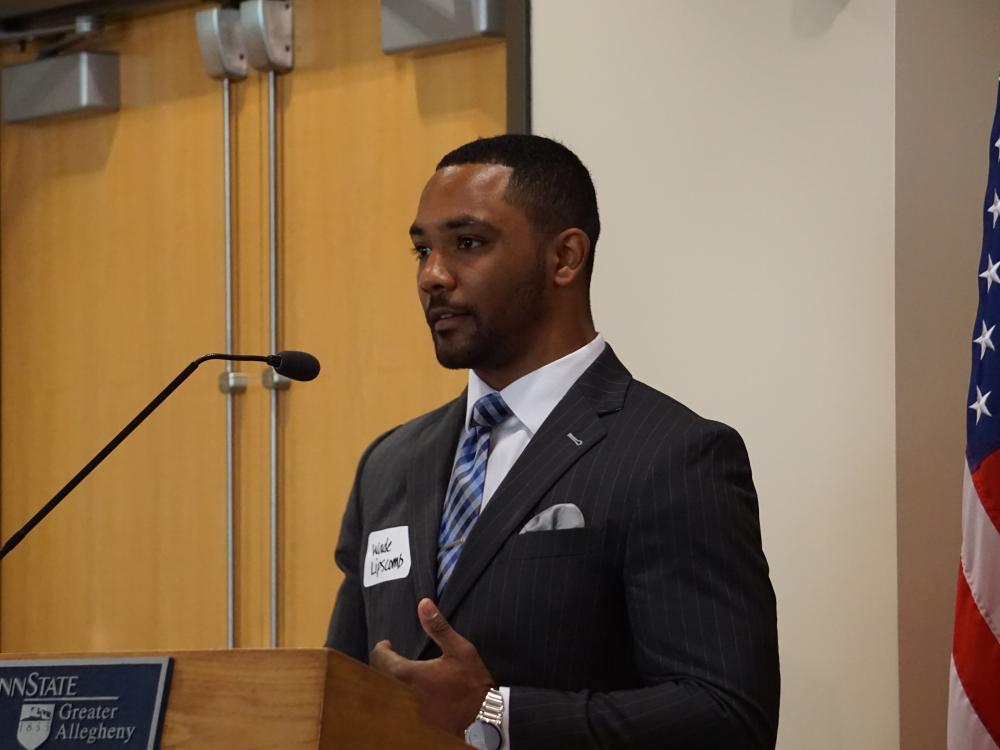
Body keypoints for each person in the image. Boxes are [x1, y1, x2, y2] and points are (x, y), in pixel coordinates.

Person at [326, 134, 780, 749]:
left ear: (565, 257)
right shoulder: (389, 462)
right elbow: (342, 686)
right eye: (422, 249)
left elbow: (728, 717)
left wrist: (495, 712)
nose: (432, 275)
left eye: (468, 244)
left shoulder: (671, 456)